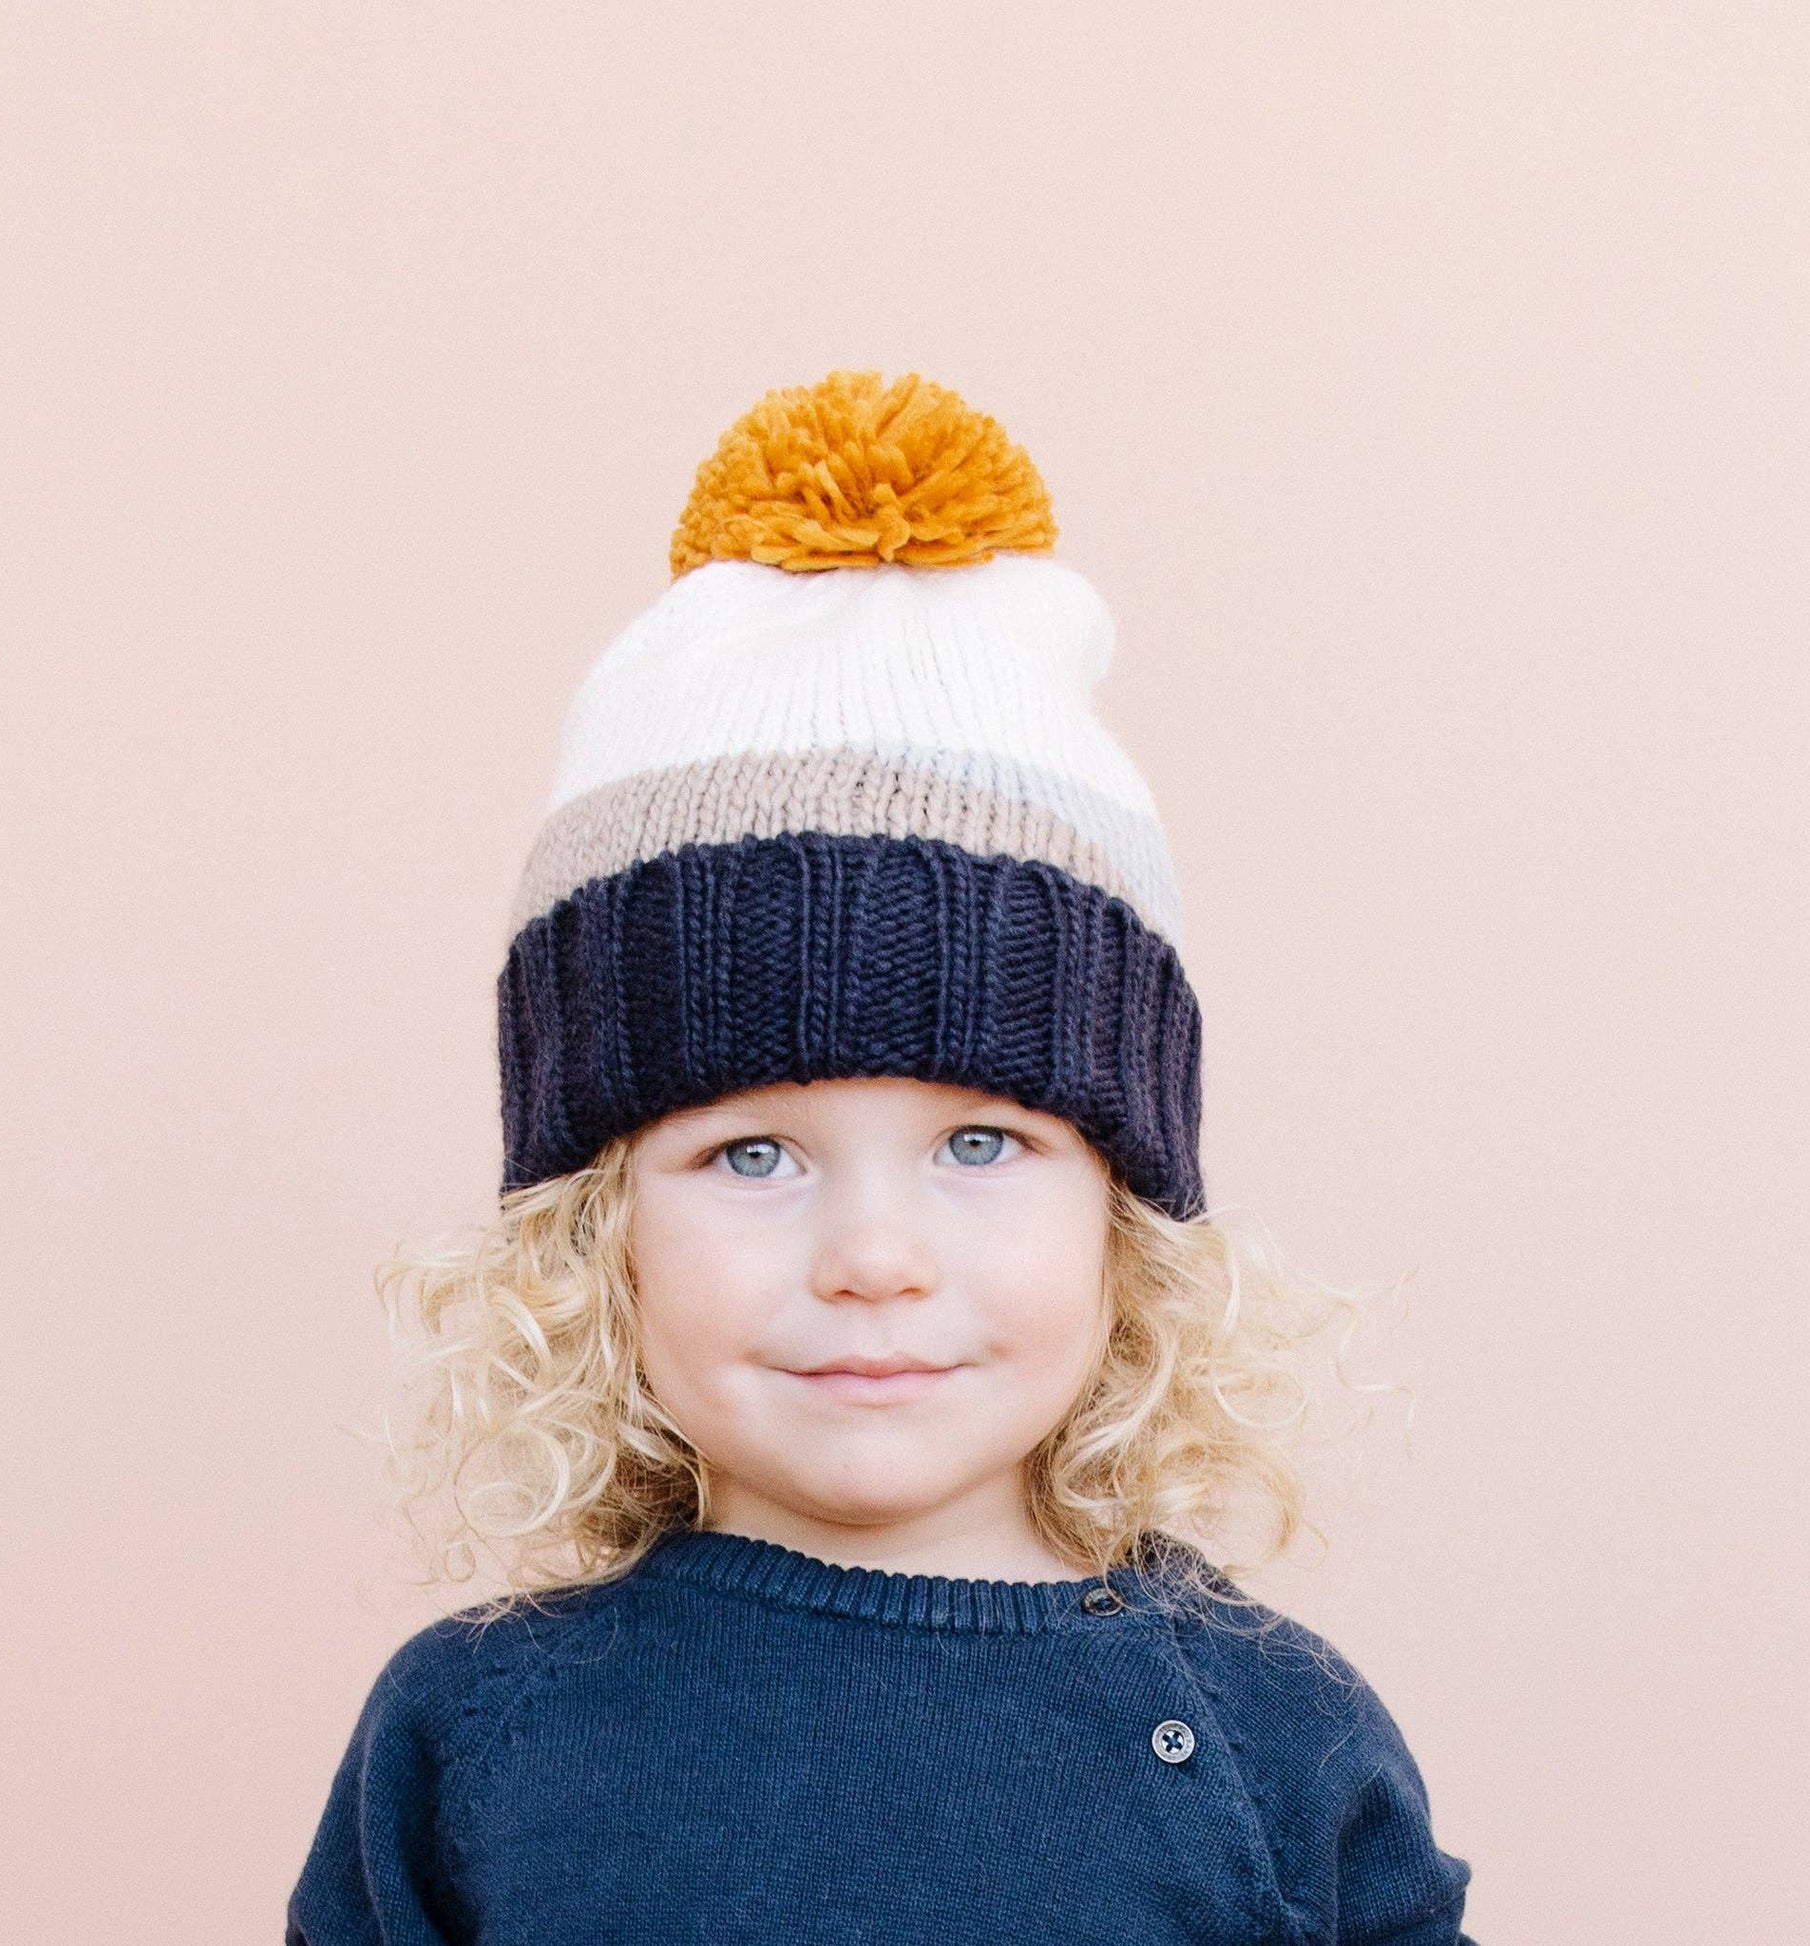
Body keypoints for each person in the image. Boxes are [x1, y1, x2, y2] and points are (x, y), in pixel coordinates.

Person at [286, 370, 1477, 1944]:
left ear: (1126, 1222)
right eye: (754, 1154)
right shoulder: (475, 1735)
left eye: (979, 1141)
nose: (872, 1254)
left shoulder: (1271, 1735)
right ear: (596, 1236)